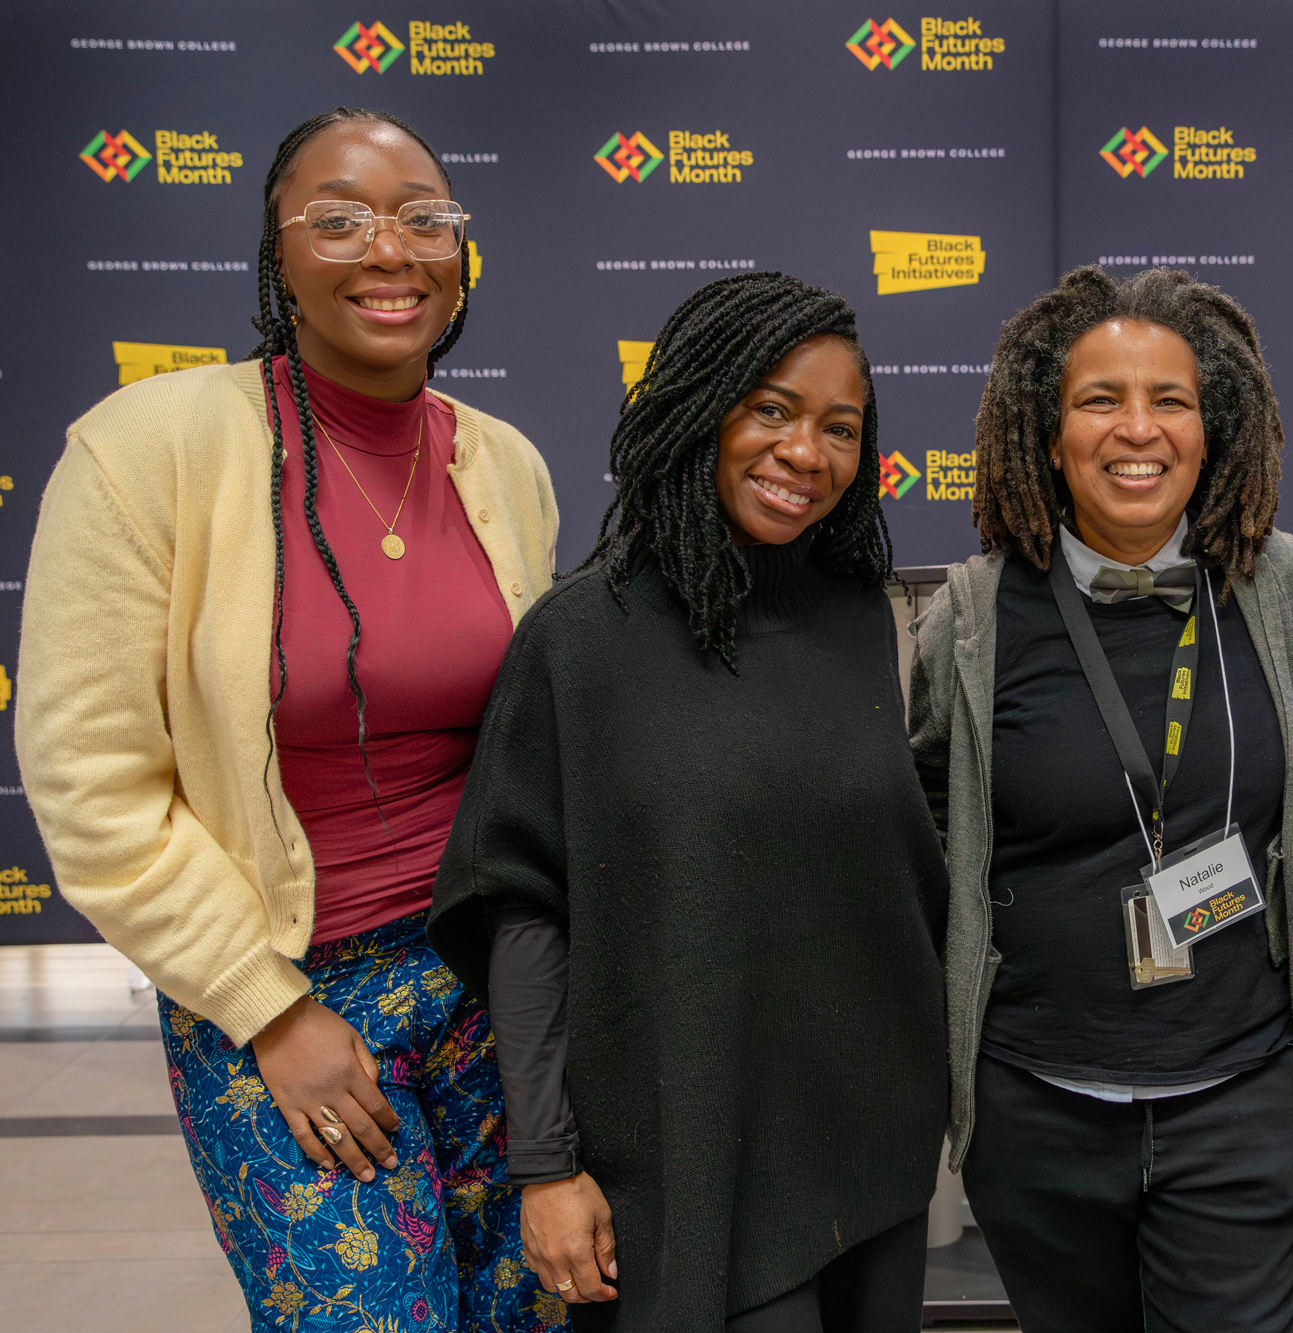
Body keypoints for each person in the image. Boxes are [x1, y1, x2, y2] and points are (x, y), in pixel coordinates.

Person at [16, 107, 560, 1329]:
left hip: (494, 980)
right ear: (275, 252)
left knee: (529, 1313)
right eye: (340, 219)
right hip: (274, 993)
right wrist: (271, 1010)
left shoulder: (506, 465)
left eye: (425, 218)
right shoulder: (146, 452)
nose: (390, 250)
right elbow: (92, 785)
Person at [425, 271, 949, 1333]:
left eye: (839, 427)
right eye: (770, 409)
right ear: (695, 406)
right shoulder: (582, 639)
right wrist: (545, 1167)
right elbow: (523, 911)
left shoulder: (856, 617)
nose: (806, 453)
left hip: (870, 1151)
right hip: (684, 1158)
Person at [909, 266, 1293, 1333]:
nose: (1135, 429)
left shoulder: (1279, 590)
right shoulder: (971, 619)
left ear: (1211, 426)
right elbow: (921, 842)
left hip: (1239, 1095)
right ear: (1046, 436)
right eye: (1098, 400)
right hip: (1035, 1107)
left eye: (1169, 399)